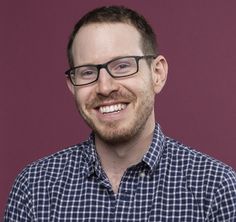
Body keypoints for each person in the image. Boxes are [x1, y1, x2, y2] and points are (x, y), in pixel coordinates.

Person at [4, 5, 236, 221]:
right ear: (72, 86)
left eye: (122, 66)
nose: (105, 87)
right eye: (87, 72)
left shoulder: (216, 189)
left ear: (157, 73)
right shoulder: (34, 189)